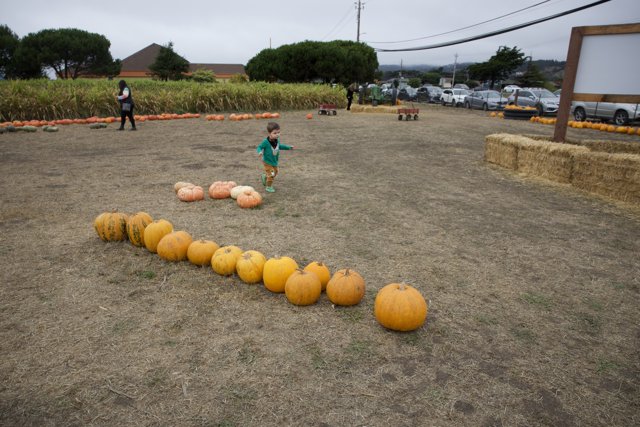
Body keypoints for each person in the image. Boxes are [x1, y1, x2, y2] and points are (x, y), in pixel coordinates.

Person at [256, 122, 294, 193]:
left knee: (275, 172)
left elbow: (280, 146)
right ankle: (268, 186)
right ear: (269, 133)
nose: (277, 134)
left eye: (278, 132)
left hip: (274, 161)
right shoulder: (265, 142)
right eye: (275, 133)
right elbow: (259, 147)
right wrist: (259, 152)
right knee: (271, 174)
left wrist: (288, 147)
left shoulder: (277, 140)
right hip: (267, 162)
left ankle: (265, 176)